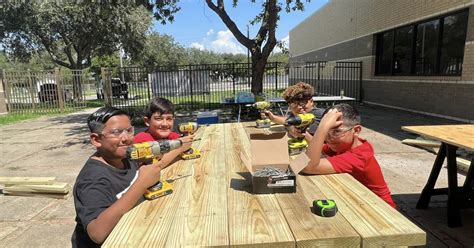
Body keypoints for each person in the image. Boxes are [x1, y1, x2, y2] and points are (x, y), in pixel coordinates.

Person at [72, 106, 164, 247]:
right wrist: (141, 184)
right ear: (96, 140)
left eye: (129, 130)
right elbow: (97, 233)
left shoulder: (125, 156)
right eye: (116, 132)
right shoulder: (92, 179)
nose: (126, 138)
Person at [302, 103, 396, 208]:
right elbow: (319, 149)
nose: (329, 138)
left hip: (380, 208)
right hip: (358, 198)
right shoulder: (343, 145)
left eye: (336, 131)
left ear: (356, 130)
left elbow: (308, 166)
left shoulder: (359, 156)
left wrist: (323, 127)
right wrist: (303, 134)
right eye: (327, 132)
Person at [134, 97, 193, 168]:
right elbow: (153, 166)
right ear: (147, 121)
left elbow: (186, 146)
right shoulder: (141, 140)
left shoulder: (172, 136)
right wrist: (180, 147)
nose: (165, 124)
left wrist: (186, 141)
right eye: (159, 119)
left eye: (169, 119)